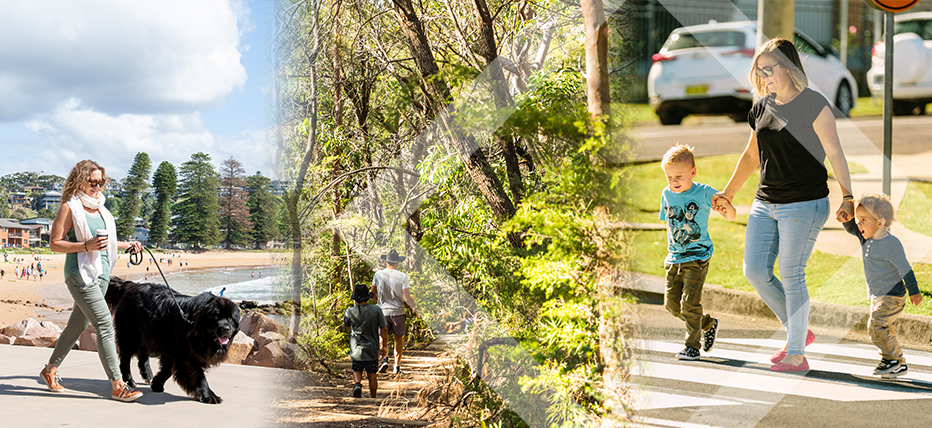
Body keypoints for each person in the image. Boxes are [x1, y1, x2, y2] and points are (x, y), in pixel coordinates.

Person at [712, 38, 855, 372]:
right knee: (755, 271)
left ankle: (796, 354)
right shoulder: (762, 106)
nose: (764, 76)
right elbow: (751, 156)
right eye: (759, 70)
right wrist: (729, 193)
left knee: (792, 274)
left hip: (804, 203)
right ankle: (799, 331)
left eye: (769, 68)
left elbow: (835, 152)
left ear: (788, 68)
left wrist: (847, 196)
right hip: (766, 202)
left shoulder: (813, 104)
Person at [40, 159, 144, 402]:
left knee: (76, 327)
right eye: (93, 181)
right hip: (80, 274)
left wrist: (127, 244)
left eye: (101, 182)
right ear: (81, 180)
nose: (97, 186)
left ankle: (49, 370)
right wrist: (84, 245)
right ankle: (118, 385)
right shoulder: (70, 207)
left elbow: (104, 244)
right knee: (105, 325)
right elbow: (55, 243)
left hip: (102, 274)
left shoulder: (102, 209)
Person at [659, 144, 736, 360]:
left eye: (679, 176)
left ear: (693, 172)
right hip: (674, 258)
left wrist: (726, 206)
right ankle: (708, 324)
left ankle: (692, 346)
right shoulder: (666, 194)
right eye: (669, 177)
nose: (674, 182)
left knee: (689, 304)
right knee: (672, 306)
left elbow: (731, 214)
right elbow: (669, 224)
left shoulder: (704, 192)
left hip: (698, 256)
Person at [842, 194, 922, 379]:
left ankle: (890, 359)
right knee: (885, 329)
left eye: (864, 220)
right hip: (878, 295)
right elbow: (851, 228)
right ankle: (899, 363)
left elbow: (905, 269)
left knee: (876, 326)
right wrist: (846, 217)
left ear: (880, 222)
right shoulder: (865, 238)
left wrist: (914, 291)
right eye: (858, 219)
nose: (858, 224)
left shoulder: (891, 244)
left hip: (892, 296)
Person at [370, 249, 417, 374]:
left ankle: (385, 359)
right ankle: (397, 367)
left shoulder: (378, 275)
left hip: (382, 312)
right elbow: (406, 297)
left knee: (382, 337)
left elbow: (372, 293)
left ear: (386, 262)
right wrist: (413, 306)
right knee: (398, 339)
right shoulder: (402, 276)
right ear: (397, 263)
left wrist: (379, 303)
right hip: (398, 312)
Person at [343, 283, 389, 398]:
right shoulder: (376, 310)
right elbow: (384, 328)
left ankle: (357, 384)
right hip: (372, 348)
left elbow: (346, 324)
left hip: (356, 348)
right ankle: (373, 397)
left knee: (357, 368)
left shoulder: (350, 311)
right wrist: (384, 345)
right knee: (372, 374)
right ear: (367, 297)